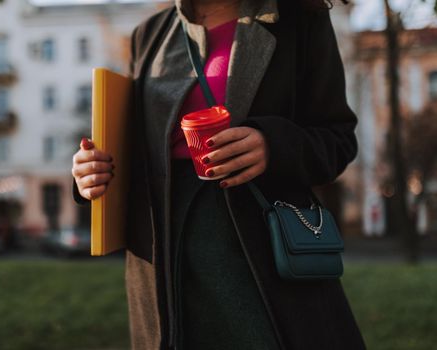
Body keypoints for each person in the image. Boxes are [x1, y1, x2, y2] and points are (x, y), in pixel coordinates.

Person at [72, 0, 366, 349]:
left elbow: (337, 139)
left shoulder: (300, 20)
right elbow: (131, 147)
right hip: (164, 261)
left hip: (263, 258)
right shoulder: (149, 35)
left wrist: (273, 145)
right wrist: (88, 173)